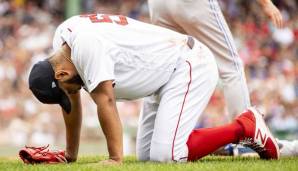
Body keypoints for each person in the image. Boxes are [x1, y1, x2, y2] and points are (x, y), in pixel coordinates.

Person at [24, 14, 279, 164]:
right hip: (162, 74)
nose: (71, 94)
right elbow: (73, 103)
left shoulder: (85, 47)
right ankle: (230, 146)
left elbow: (106, 103)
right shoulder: (64, 42)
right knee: (147, 156)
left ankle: (244, 126)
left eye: (65, 89)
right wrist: (70, 155)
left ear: (60, 73)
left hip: (188, 64)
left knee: (168, 155)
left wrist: (115, 160)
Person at [147, 0, 298, 156]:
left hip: (157, 4)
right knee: (231, 67)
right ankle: (247, 139)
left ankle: (155, 143)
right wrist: (265, 3)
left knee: (167, 67)